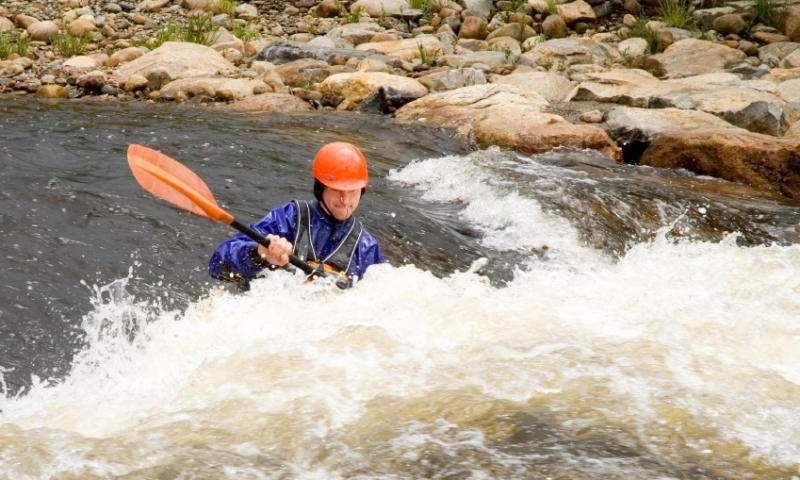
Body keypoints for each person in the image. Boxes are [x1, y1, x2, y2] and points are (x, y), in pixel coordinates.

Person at [209, 142, 385, 289]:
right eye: (337, 190)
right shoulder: (289, 218)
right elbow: (217, 266)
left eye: (352, 191)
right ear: (320, 188)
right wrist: (259, 253)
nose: (345, 200)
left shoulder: (366, 247)